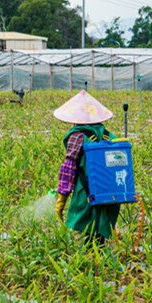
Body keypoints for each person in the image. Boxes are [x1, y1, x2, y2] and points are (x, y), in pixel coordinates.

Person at [54, 90, 120, 246]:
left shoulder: (77, 136)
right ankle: (98, 257)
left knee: (87, 231)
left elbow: (69, 168)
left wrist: (62, 198)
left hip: (86, 191)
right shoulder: (109, 136)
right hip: (109, 191)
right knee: (99, 230)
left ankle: (91, 262)